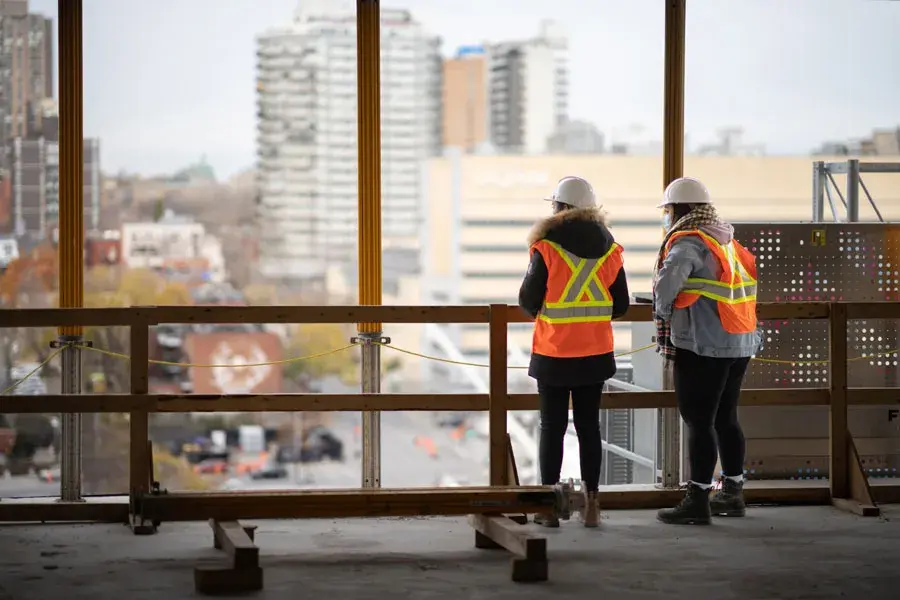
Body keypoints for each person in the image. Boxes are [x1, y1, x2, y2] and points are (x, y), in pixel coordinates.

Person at [518, 176, 629, 528]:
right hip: (595, 354)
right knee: (588, 428)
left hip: (553, 353)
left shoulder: (547, 246)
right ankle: (592, 506)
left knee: (551, 427)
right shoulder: (610, 247)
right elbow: (621, 305)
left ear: (560, 208)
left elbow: (527, 301)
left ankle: (549, 508)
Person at [652, 177, 761, 525]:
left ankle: (697, 499)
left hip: (703, 343)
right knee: (725, 418)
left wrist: (663, 311)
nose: (666, 217)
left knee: (698, 421)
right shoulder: (725, 240)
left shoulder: (688, 241)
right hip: (738, 339)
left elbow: (667, 285)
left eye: (668, 210)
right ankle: (732, 492)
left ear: (680, 210)